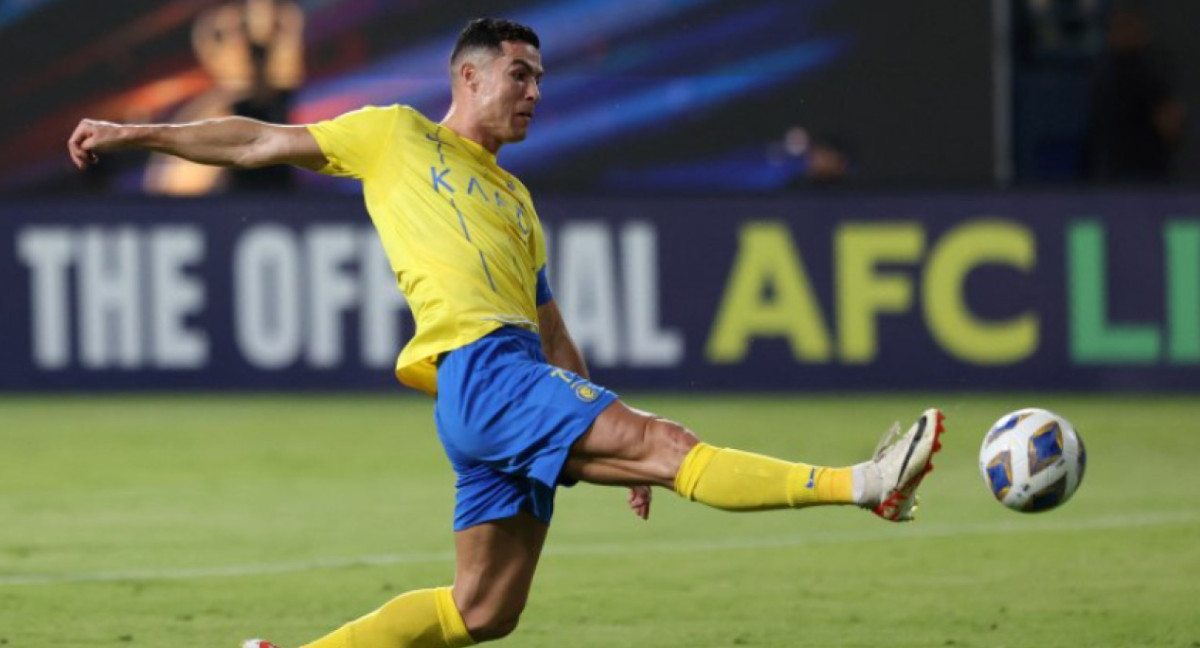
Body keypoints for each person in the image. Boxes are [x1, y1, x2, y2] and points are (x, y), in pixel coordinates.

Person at [67, 18, 945, 648]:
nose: (533, 93)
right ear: (469, 78)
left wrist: (614, 424)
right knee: (673, 446)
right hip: (482, 375)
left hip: (505, 381)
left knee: (482, 613)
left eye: (539, 80)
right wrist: (135, 131)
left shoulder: (517, 200)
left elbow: (552, 326)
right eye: (519, 74)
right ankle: (866, 481)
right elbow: (255, 141)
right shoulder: (393, 136)